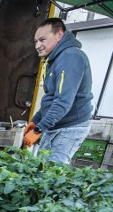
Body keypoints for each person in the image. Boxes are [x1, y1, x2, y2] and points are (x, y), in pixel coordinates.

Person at [23, 18, 94, 164]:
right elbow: (51, 97)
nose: (37, 45)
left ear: (59, 35)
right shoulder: (55, 59)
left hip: (69, 127)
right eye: (36, 41)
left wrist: (39, 129)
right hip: (57, 124)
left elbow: (63, 101)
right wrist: (36, 120)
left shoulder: (70, 57)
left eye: (42, 40)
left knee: (52, 171)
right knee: (41, 166)